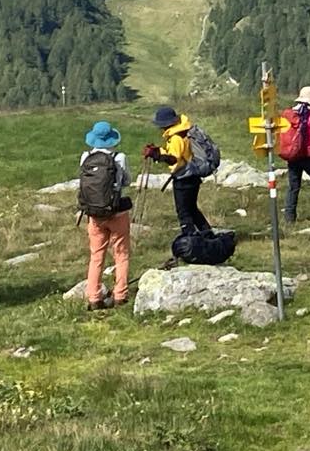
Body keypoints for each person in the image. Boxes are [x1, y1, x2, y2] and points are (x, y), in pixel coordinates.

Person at [143, 105, 220, 258]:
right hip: (193, 176)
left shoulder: (176, 138)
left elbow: (174, 159)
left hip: (183, 178)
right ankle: (208, 236)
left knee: (184, 212)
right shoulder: (183, 132)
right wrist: (158, 151)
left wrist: (157, 155)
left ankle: (190, 244)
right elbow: (178, 154)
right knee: (192, 210)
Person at [77, 120, 132, 310]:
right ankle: (120, 294)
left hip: (94, 214)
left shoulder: (85, 157)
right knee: (121, 253)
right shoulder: (119, 157)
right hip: (117, 212)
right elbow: (127, 181)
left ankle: (93, 297)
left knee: (96, 255)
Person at [278, 86, 310, 225]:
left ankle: (289, 217)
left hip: (293, 156)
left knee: (293, 186)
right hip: (308, 156)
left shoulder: (288, 115)